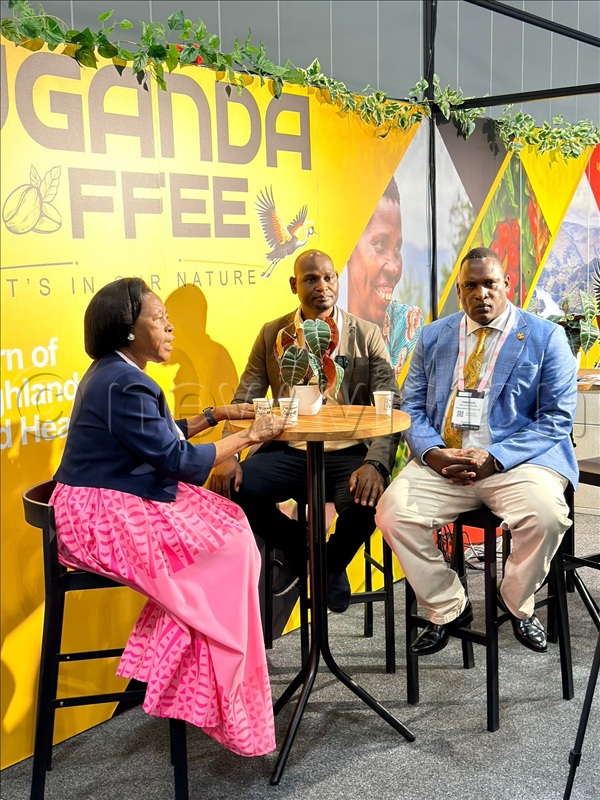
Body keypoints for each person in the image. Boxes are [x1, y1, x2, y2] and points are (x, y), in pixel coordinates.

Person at [51, 278, 290, 757]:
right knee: (228, 543)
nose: (170, 325)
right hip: (97, 515)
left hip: (109, 497)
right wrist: (250, 434)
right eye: (159, 318)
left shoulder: (116, 373)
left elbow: (159, 437)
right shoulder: (124, 380)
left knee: (229, 526)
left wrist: (216, 414)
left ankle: (194, 650)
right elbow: (177, 460)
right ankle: (198, 664)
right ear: (128, 330)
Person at [376, 247, 578, 656]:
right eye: (471, 286)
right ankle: (448, 605)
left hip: (516, 463)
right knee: (392, 513)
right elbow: (410, 406)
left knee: (548, 515)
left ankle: (516, 600)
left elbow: (557, 417)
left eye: (490, 283)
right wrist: (433, 454)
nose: (481, 293)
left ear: (507, 285)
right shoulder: (434, 336)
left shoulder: (545, 336)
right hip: (446, 461)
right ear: (459, 292)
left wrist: (496, 457)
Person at [209, 249, 401, 614]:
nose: (322, 286)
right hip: (288, 449)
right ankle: (309, 550)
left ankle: (328, 564)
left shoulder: (367, 334)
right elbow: (244, 399)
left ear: (337, 282)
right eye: (311, 279)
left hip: (347, 452)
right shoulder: (273, 334)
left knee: (367, 503)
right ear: (294, 285)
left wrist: (376, 462)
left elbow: (389, 403)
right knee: (233, 489)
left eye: (329, 278)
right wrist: (228, 455)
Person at [346, 176, 423, 378]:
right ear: (349, 248)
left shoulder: (405, 322)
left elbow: (397, 400)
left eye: (397, 248)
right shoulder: (321, 328)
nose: (393, 267)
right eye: (380, 244)